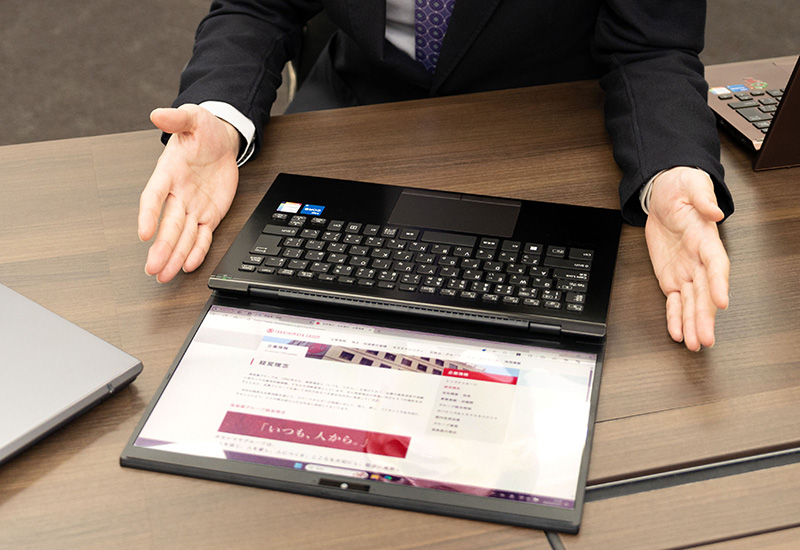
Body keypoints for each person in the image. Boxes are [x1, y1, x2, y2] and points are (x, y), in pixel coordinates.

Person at [138, 0, 733, 352]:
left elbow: (651, 47)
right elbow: (257, 6)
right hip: (359, 111)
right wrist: (222, 114)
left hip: (540, 132)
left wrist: (670, 166)